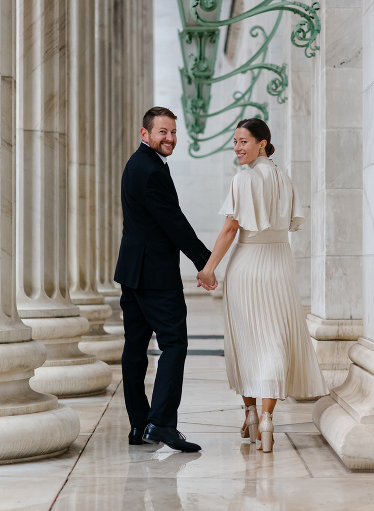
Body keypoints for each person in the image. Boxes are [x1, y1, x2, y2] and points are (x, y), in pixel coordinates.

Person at [196, 118, 329, 453]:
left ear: (263, 143)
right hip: (279, 266)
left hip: (248, 264)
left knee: (248, 341)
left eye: (244, 141)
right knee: (274, 341)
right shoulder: (284, 180)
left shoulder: (243, 180)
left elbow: (230, 230)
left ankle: (252, 414)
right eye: (236, 141)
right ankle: (268, 419)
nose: (238, 147)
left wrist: (209, 269)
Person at [114, 106, 214, 453]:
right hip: (154, 273)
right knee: (174, 342)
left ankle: (140, 424)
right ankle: (162, 424)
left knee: (135, 349)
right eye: (162, 132)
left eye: (173, 132)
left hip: (133, 271)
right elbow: (174, 222)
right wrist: (207, 262)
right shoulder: (151, 170)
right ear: (146, 134)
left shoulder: (138, 164)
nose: (170, 138)